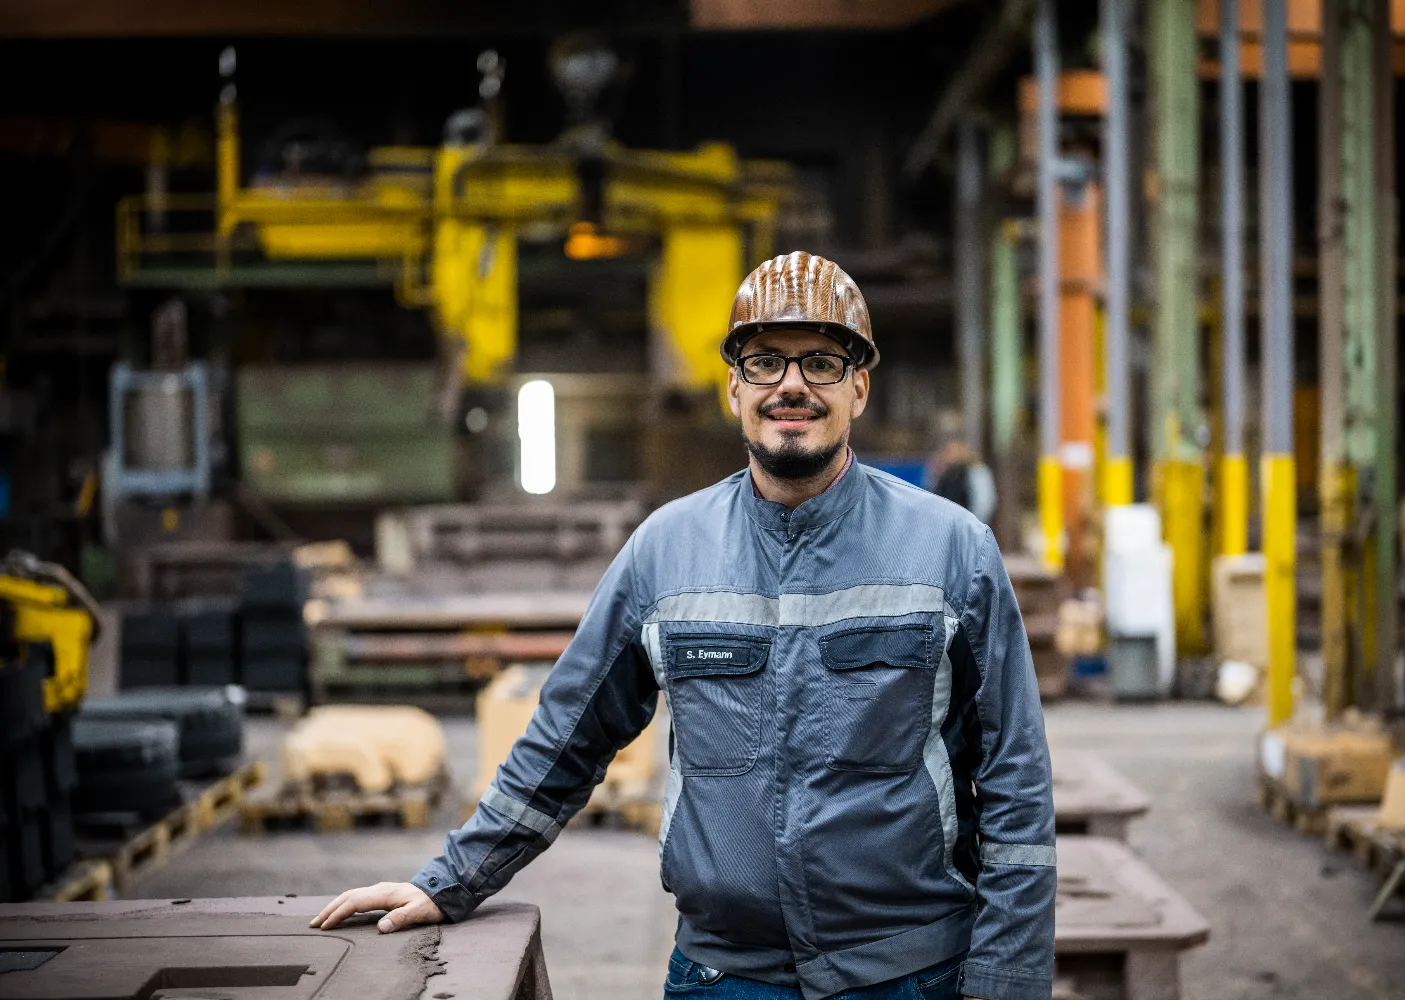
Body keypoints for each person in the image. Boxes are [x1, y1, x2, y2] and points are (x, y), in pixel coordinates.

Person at [312, 252, 1056, 1000]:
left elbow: (1016, 779)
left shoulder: (952, 551)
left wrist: (1007, 980)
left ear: (858, 387)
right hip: (724, 975)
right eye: (765, 361)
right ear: (734, 386)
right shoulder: (666, 551)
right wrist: (451, 882)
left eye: (821, 363)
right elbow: (566, 735)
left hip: (910, 973)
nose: (791, 385)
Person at [928, 440, 997, 525]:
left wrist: (973, 524)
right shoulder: (944, 474)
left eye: (952, 452)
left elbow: (983, 503)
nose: (948, 456)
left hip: (966, 524)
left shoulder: (975, 471)